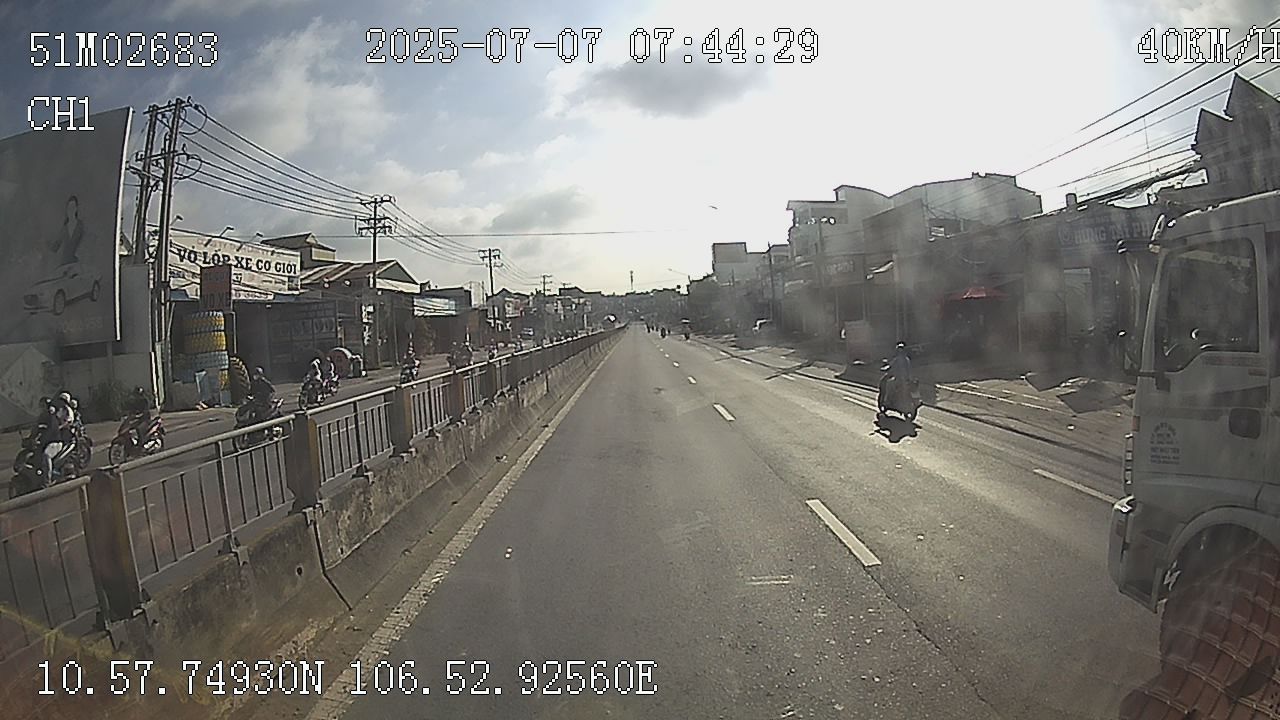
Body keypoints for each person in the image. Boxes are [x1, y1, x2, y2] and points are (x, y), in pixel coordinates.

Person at [880, 342, 913, 408]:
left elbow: (890, 366)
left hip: (899, 378)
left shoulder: (897, 359)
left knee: (889, 384)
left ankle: (887, 401)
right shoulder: (907, 359)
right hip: (906, 379)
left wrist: (884, 369)